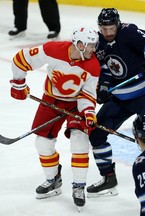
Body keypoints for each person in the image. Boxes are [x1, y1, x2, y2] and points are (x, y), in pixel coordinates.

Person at [10, 26, 100, 209]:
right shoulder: (53, 50)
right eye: (91, 45)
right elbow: (21, 59)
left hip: (76, 104)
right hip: (51, 100)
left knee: (79, 140)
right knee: (42, 144)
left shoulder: (93, 65)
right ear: (80, 44)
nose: (94, 49)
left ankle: (79, 186)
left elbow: (88, 95)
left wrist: (89, 112)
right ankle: (53, 179)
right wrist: (19, 84)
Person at [86, 8, 145, 197]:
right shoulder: (97, 42)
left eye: (111, 28)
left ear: (118, 25)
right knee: (96, 133)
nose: (108, 32)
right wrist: (104, 89)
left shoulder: (130, 32)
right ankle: (108, 178)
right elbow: (105, 70)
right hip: (121, 97)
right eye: (104, 28)